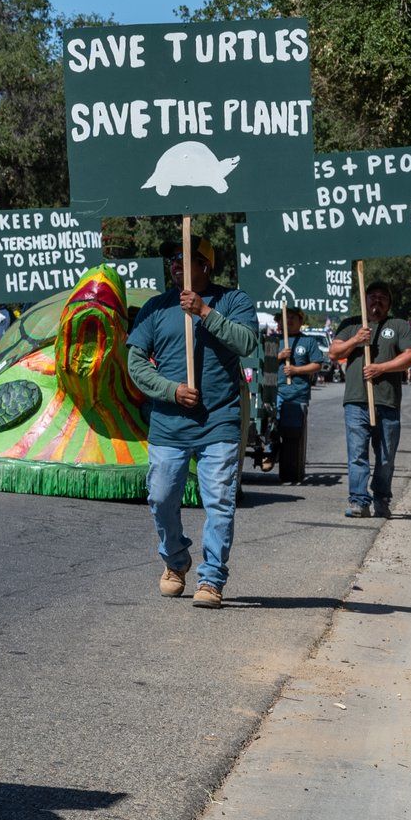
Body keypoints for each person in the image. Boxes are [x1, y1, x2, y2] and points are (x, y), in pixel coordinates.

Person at [126, 233, 257, 608]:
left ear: (205, 266)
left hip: (219, 421)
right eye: (172, 260)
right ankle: (175, 559)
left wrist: (204, 312)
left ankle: (212, 579)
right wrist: (170, 390)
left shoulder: (233, 300)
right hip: (169, 424)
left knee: (219, 501)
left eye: (185, 258)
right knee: (161, 496)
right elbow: (135, 363)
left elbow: (247, 344)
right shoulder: (155, 308)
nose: (176, 265)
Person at [330, 281, 411, 518]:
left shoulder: (398, 326)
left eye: (382, 297)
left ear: (389, 303)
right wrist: (355, 341)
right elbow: (334, 352)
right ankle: (359, 501)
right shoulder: (351, 325)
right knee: (357, 453)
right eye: (372, 296)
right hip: (356, 400)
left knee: (385, 457)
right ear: (364, 300)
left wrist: (382, 368)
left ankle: (381, 498)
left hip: (387, 402)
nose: (376, 301)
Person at [271, 306, 322, 486]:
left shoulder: (308, 342)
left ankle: (289, 470)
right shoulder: (272, 340)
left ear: (300, 321)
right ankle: (271, 452)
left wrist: (296, 370)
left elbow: (317, 365)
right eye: (285, 318)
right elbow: (261, 362)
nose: (289, 321)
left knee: (292, 434)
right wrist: (279, 356)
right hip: (273, 392)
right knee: (270, 426)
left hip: (296, 394)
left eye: (293, 317)